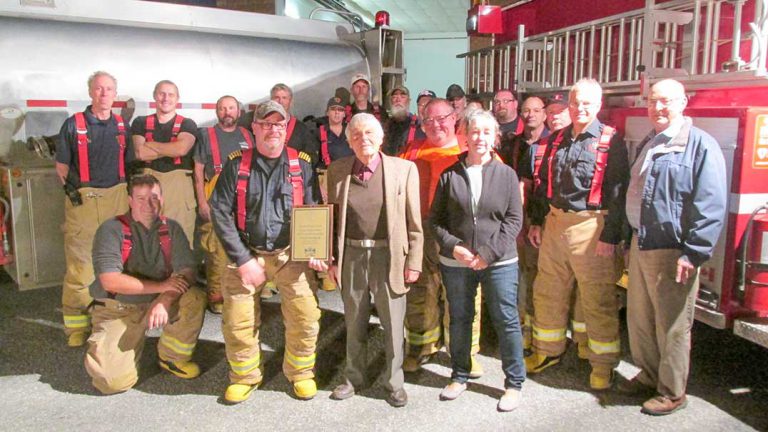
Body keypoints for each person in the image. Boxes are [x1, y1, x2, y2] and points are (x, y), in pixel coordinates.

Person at [620, 79, 726, 415]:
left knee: (673, 324)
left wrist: (694, 251)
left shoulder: (700, 146)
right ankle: (650, 374)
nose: (658, 108)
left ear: (683, 102)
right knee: (641, 318)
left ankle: (672, 391)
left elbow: (710, 203)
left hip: (672, 249)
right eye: (653, 101)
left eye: (666, 101)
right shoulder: (653, 141)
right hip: (642, 242)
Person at [210, 101, 321, 404]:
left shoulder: (303, 165)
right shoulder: (236, 166)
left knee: (305, 316)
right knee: (238, 320)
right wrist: (243, 259)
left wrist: (315, 250)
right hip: (247, 252)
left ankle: (301, 373)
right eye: (266, 123)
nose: (273, 129)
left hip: (291, 254)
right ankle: (244, 377)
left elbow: (314, 210)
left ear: (286, 129)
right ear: (255, 128)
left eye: (278, 124)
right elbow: (219, 211)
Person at [310, 113, 423, 408]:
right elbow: (330, 219)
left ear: (382, 136)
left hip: (390, 256)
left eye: (370, 133)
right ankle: (353, 378)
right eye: (356, 135)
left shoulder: (404, 169)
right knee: (354, 322)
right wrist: (330, 258)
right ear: (348, 141)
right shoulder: (337, 170)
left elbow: (415, 222)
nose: (364, 139)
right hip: (352, 255)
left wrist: (415, 261)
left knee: (393, 325)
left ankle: (394, 382)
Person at [525, 78, 629, 391]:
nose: (580, 108)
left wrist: (611, 237)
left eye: (587, 103)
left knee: (597, 299)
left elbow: (618, 192)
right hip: (555, 224)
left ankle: (602, 364)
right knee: (548, 291)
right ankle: (548, 351)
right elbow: (542, 186)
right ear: (569, 105)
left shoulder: (611, 141)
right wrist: (535, 221)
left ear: (598, 106)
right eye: (575, 102)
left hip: (592, 226)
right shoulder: (555, 140)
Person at [431, 109, 525, 412]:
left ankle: (513, 384)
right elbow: (436, 221)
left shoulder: (507, 174)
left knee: (505, 320)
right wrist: (454, 247)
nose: (479, 138)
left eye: (486, 132)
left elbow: (513, 220)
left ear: (494, 136)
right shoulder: (450, 174)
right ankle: (459, 375)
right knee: (459, 319)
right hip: (457, 262)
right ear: (465, 136)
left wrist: (487, 254)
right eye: (474, 132)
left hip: (498, 262)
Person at [84, 174, 206, 394]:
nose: (149, 205)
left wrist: (165, 299)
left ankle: (172, 357)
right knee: (112, 383)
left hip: (155, 301)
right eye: (141, 199)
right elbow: (110, 281)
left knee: (194, 297)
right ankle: (106, 343)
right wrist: (162, 287)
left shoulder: (172, 228)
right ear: (130, 201)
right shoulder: (111, 230)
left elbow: (187, 269)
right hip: (119, 309)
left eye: (154, 197)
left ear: (162, 199)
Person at [400, 99, 482, 377]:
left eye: (442, 118)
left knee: (463, 294)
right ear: (422, 124)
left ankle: (466, 354)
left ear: (455, 117)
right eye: (429, 121)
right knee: (421, 291)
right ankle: (421, 347)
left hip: (461, 234)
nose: (436, 125)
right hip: (421, 232)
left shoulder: (471, 147)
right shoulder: (411, 151)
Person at [55, 71, 133, 347]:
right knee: (81, 266)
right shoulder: (73, 125)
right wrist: (77, 194)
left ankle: (109, 316)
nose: (104, 94)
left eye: (109, 89)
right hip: (85, 200)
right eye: (99, 89)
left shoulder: (122, 126)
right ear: (90, 92)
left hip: (117, 197)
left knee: (116, 261)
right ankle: (76, 324)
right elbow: (62, 167)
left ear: (115, 94)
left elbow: (129, 163)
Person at [497, 96, 549, 352]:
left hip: (543, 220)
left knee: (539, 277)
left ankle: (535, 331)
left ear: (545, 114)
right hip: (517, 218)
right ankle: (518, 328)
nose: (530, 115)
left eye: (536, 110)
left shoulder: (553, 143)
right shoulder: (514, 145)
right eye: (526, 110)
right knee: (518, 274)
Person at [193, 95, 254, 314]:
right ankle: (216, 295)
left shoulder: (247, 135)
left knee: (243, 246)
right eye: (222, 108)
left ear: (238, 111)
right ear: (216, 112)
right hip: (216, 197)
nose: (226, 112)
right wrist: (202, 202)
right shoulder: (207, 135)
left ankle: (239, 293)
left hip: (242, 197)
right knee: (216, 250)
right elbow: (198, 170)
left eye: (231, 108)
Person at [131, 80, 198, 247]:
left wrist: (150, 144)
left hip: (179, 189)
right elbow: (140, 153)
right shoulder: (140, 122)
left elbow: (181, 149)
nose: (166, 98)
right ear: (155, 96)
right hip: (147, 185)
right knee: (147, 238)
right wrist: (169, 148)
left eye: (171, 94)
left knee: (179, 240)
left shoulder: (187, 123)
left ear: (177, 99)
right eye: (162, 93)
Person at [382, 85, 420, 156]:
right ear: (390, 102)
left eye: (402, 97)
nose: (398, 100)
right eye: (394, 97)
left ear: (408, 101)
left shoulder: (417, 125)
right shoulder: (384, 126)